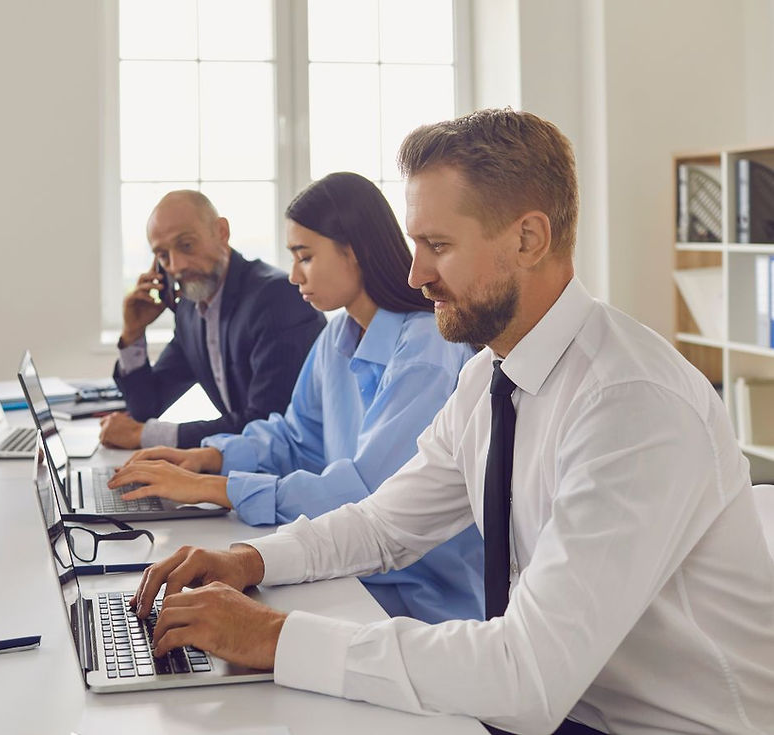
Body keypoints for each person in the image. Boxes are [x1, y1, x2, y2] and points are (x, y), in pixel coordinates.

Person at [126, 110, 774, 735]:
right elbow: (383, 524)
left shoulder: (632, 405)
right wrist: (244, 559)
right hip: (563, 707)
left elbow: (528, 675)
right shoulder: (487, 377)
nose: (414, 274)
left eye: (438, 245)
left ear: (529, 238)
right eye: (416, 244)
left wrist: (274, 635)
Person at [109, 172, 483, 623]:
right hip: (345, 571)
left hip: (416, 596)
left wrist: (217, 488)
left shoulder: (426, 350)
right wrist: (209, 458)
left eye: (305, 257)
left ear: (356, 251)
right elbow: (295, 438)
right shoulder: (338, 336)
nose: (293, 275)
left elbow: (369, 496)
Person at [101, 190, 325, 450]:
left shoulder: (277, 298)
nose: (177, 266)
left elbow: (265, 423)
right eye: (163, 255)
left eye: (186, 245)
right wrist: (133, 333)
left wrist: (147, 436)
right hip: (246, 466)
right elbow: (146, 408)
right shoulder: (190, 309)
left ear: (221, 232)